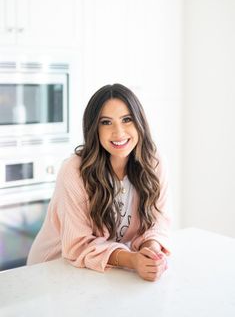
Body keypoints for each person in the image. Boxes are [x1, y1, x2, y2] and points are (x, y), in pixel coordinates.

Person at [27, 84, 171, 282]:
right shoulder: (74, 172)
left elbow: (157, 221)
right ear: (94, 128)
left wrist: (150, 254)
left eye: (127, 119)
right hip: (53, 268)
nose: (118, 132)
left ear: (139, 122)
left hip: (101, 271)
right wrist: (132, 260)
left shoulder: (153, 164)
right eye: (106, 122)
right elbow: (78, 245)